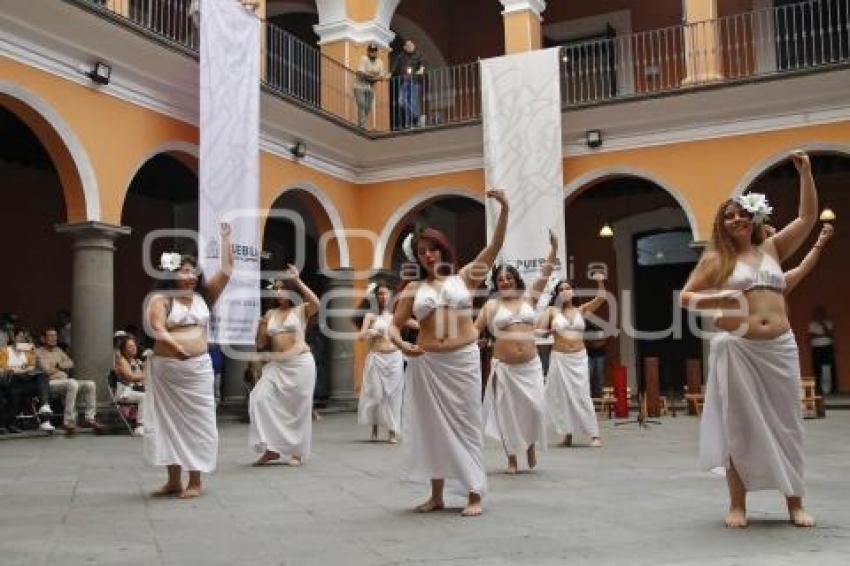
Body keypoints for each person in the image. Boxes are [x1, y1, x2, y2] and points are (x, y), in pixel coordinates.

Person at [680, 150, 817, 528]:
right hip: (737, 348)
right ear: (721, 224)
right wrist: (719, 298)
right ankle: (737, 504)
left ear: (754, 218)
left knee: (787, 423)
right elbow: (686, 297)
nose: (736, 218)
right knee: (738, 425)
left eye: (742, 213)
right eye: (729, 215)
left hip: (779, 347)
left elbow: (807, 219)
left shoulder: (771, 248)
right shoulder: (715, 261)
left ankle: (795, 503)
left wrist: (805, 173)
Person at [389, 188, 509, 517]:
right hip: (427, 363)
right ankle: (437, 494)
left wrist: (505, 211)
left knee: (467, 423)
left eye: (432, 249)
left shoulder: (465, 277)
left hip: (463, 360)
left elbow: (494, 247)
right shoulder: (414, 289)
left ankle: (474, 493)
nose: (428, 255)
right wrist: (403, 345)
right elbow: (393, 326)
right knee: (431, 427)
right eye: (422, 251)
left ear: (443, 249)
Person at [144, 222, 233, 499]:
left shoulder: (204, 297)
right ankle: (173, 480)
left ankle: (195, 480)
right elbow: (157, 328)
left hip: (197, 369)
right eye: (185, 271)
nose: (191, 276)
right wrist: (174, 345)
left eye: (194, 271)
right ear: (172, 273)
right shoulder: (161, 298)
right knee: (168, 422)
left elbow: (228, 271)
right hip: (168, 370)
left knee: (199, 421)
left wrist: (225, 238)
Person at [475, 229, 557, 474]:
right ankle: (511, 457)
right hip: (505, 367)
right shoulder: (491, 305)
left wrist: (553, 250)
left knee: (535, 408)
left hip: (530, 365)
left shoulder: (528, 299)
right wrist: (473, 341)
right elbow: (473, 329)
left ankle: (530, 444)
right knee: (507, 414)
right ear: (496, 284)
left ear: (515, 279)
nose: (505, 281)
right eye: (500, 279)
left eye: (508, 277)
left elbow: (545, 274)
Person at [250, 265, 320, 466]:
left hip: (300, 363)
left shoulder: (301, 309)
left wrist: (298, 281)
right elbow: (260, 346)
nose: (278, 292)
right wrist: (260, 328)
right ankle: (270, 448)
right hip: (277, 365)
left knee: (298, 408)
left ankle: (297, 452)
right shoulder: (270, 313)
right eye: (276, 288)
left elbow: (317, 303)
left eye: (283, 288)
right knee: (258, 399)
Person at [539, 273, 607, 448]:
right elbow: (537, 330)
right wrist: (547, 332)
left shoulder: (580, 310)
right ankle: (567, 434)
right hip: (559, 357)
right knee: (560, 396)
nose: (565, 291)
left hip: (578, 357)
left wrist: (600, 281)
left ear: (573, 292)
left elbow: (600, 298)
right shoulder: (551, 311)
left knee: (582, 394)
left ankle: (594, 434)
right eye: (561, 289)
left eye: (568, 288)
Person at [356, 282, 404, 443]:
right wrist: (371, 332)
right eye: (380, 294)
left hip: (395, 358)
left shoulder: (395, 316)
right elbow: (360, 336)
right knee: (376, 395)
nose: (383, 297)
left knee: (393, 396)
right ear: (376, 297)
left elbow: (413, 325)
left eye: (386, 294)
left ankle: (392, 431)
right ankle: (374, 428)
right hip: (376, 357)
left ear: (391, 296)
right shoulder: (370, 316)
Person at [36, 328, 103, 435]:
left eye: (55, 336)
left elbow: (71, 363)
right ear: (43, 338)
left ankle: (90, 418)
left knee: (90, 384)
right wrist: (61, 367)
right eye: (50, 336)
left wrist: (58, 366)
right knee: (72, 383)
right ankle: (68, 421)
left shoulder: (58, 350)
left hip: (65, 381)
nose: (54, 338)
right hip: (49, 384)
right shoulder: (38, 352)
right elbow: (47, 371)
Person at [0, 330, 53, 433]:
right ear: (14, 338)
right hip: (11, 380)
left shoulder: (28, 351)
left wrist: (30, 347)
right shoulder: (5, 350)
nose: (22, 339)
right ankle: (9, 423)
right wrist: (21, 369)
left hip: (24, 380)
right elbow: (2, 369)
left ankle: (44, 406)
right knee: (17, 391)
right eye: (20, 336)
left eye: (24, 337)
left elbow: (32, 367)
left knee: (42, 375)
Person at [113, 334, 147, 437]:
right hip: (124, 393)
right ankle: (140, 425)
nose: (133, 348)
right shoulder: (122, 361)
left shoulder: (137, 361)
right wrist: (146, 374)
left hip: (137, 390)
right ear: (123, 349)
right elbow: (130, 377)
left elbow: (144, 379)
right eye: (130, 347)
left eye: (134, 346)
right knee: (144, 397)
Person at [392, 39, 425, 129]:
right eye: (408, 45)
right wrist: (389, 74)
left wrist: (421, 70)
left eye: (412, 45)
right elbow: (394, 68)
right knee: (401, 101)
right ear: (405, 48)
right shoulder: (400, 57)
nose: (410, 47)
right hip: (404, 82)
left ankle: (409, 124)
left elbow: (422, 65)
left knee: (413, 103)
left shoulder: (418, 55)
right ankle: (418, 117)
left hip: (415, 82)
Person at [355, 43, 386, 129]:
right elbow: (360, 73)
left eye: (374, 51)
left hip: (371, 88)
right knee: (362, 104)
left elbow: (382, 76)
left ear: (377, 52)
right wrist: (373, 78)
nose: (373, 53)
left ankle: (361, 123)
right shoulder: (363, 59)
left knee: (368, 107)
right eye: (371, 51)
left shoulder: (380, 62)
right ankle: (362, 126)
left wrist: (370, 77)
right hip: (359, 86)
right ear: (368, 51)